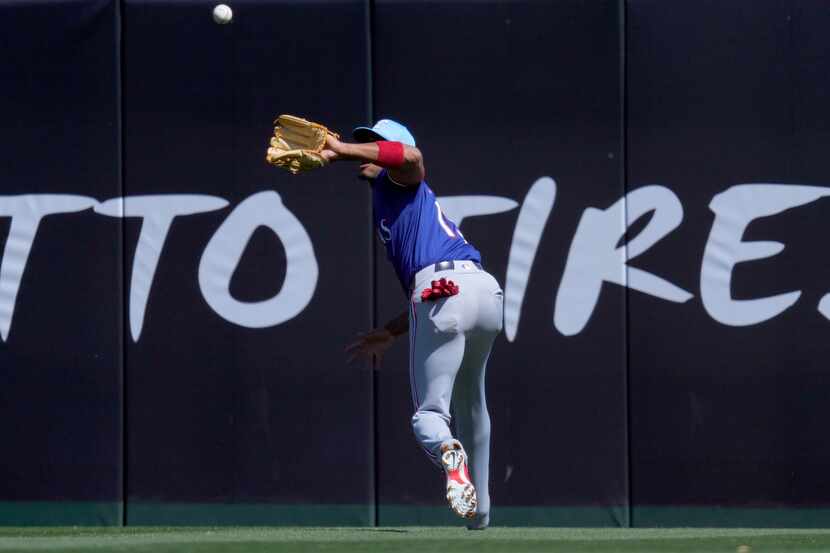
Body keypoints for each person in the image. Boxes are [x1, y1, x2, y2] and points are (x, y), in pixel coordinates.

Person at [322, 119, 503, 530]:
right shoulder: (392, 200)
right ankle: (481, 514)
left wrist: (342, 148)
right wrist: (390, 331)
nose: (365, 149)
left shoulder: (402, 180)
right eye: (364, 142)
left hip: (446, 291)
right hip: (484, 292)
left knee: (429, 415)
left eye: (374, 143)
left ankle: (447, 451)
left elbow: (412, 157)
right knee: (472, 401)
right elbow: (438, 293)